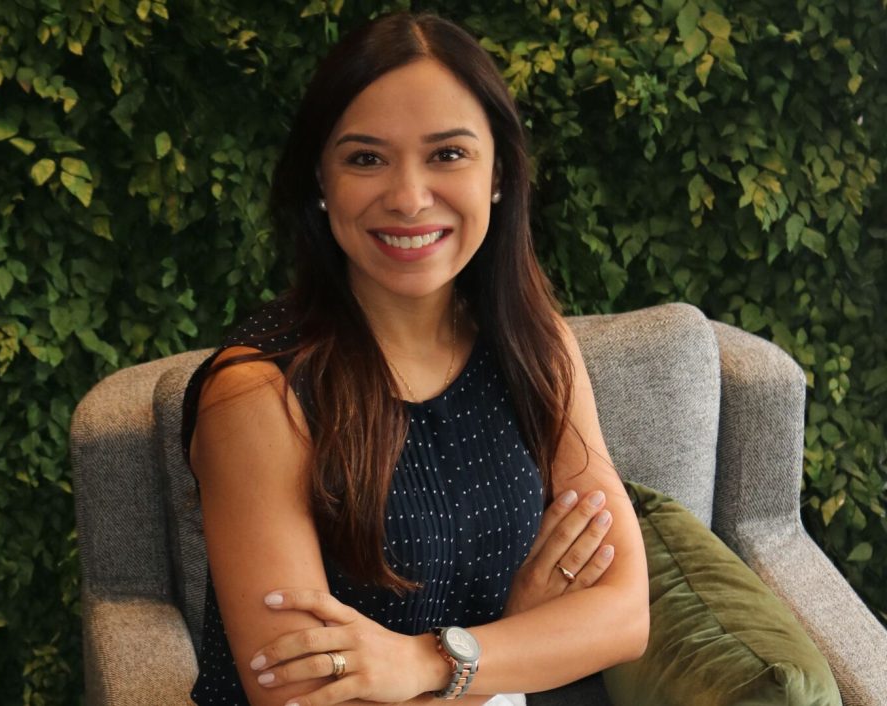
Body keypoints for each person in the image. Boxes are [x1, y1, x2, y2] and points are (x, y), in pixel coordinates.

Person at [180, 11, 649, 706]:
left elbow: (623, 615)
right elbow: (302, 697)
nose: (407, 198)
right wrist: (519, 640)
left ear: (499, 175)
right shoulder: (257, 397)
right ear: (320, 179)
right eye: (365, 158)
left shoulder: (535, 343)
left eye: (448, 155)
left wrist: (430, 663)